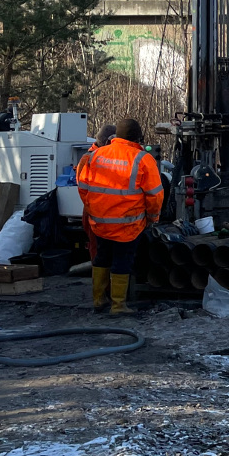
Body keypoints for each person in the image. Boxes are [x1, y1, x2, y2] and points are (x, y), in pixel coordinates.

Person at [76, 118, 163, 314]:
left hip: (99, 221)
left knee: (102, 257)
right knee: (122, 260)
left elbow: (82, 186)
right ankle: (118, 305)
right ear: (137, 137)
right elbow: (155, 195)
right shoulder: (142, 159)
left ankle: (98, 300)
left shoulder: (94, 155)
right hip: (128, 224)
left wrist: (92, 208)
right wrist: (152, 217)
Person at [79, 124, 116, 268]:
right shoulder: (93, 159)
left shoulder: (89, 158)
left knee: (100, 252)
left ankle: (102, 288)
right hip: (97, 212)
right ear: (109, 141)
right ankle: (105, 289)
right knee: (100, 252)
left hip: (95, 211)